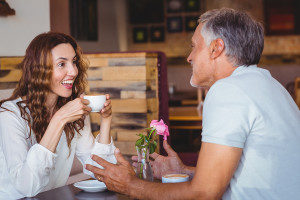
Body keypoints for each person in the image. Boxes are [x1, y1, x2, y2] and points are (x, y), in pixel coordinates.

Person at [86, 8, 300, 200]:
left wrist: (130, 185)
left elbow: (203, 194)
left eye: (194, 47)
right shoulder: (269, 84)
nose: (189, 57)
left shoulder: (228, 90)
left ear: (216, 48)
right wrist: (186, 171)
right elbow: (252, 173)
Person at [0, 32, 116, 199]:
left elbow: (99, 168)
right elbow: (27, 187)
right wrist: (59, 119)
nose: (73, 71)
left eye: (74, 62)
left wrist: (106, 120)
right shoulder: (10, 115)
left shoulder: (72, 109)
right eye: (62, 64)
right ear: (39, 70)